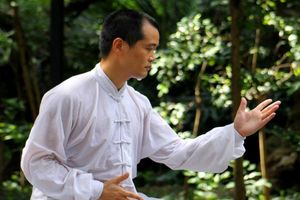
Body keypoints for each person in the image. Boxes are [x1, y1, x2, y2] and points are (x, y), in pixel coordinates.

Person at [21, 9, 281, 200]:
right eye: (149, 48)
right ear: (119, 46)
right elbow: (37, 163)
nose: (153, 57)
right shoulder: (67, 95)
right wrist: (96, 190)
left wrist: (235, 133)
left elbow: (177, 152)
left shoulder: (138, 103)